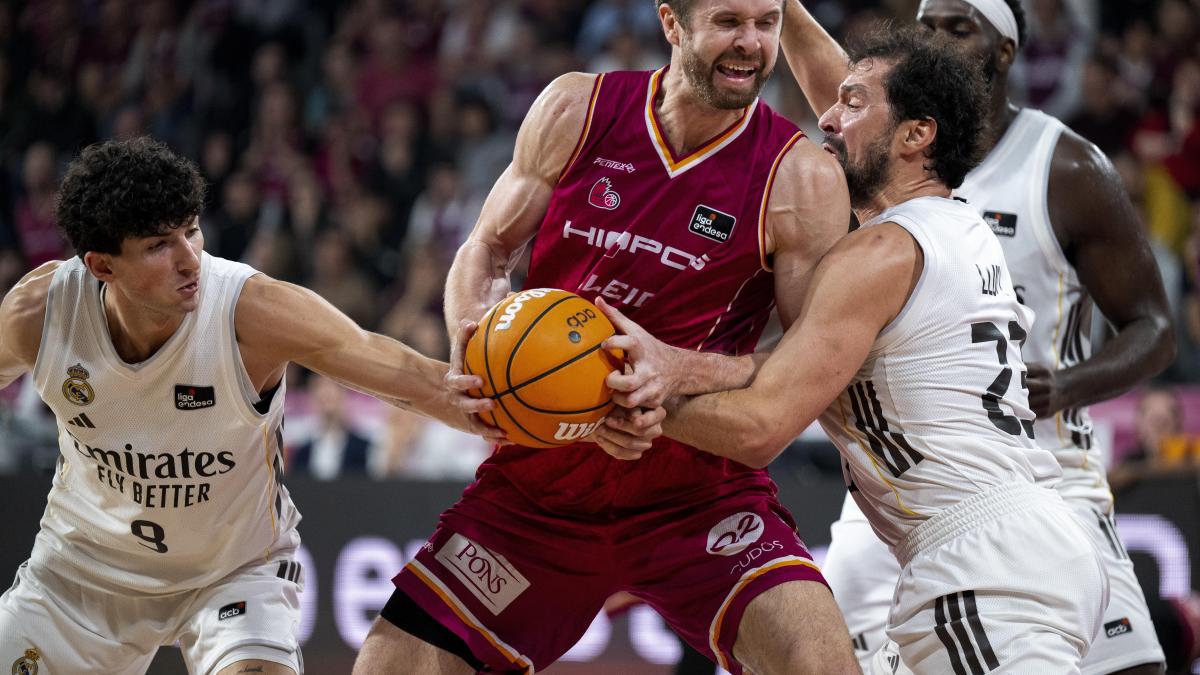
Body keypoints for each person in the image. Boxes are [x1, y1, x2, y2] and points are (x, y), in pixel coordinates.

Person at [352, 1, 862, 674]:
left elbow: (801, 370)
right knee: (388, 667)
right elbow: (487, 246)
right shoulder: (577, 108)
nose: (751, 44)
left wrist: (674, 372)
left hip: (697, 495)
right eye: (728, 21)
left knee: (821, 662)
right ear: (672, 23)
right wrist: (473, 342)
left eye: (766, 23)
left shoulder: (799, 177)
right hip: (540, 487)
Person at [600, 24, 1109, 673]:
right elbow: (799, 362)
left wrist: (610, 401)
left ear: (916, 136)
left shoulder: (881, 254)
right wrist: (677, 366)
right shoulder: (954, 223)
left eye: (852, 103)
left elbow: (762, 422)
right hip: (1017, 538)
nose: (826, 119)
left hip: (981, 559)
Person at [0, 137, 497, 675]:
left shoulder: (250, 311)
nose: (190, 258)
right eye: (158, 245)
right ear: (102, 266)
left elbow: (412, 379)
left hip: (233, 571)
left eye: (191, 229)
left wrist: (565, 424)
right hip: (83, 568)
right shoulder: (41, 313)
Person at [778, 1, 1175, 672]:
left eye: (960, 28)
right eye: (928, 26)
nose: (936, 39)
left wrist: (1069, 384)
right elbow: (838, 96)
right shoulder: (886, 150)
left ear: (1004, 53)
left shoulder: (1063, 166)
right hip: (910, 480)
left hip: (1036, 466)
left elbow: (1156, 326)